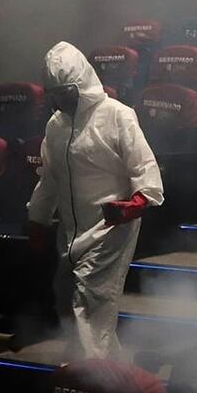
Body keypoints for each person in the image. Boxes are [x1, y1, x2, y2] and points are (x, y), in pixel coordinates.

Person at [27, 41, 163, 361]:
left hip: (112, 224)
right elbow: (50, 179)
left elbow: (143, 165)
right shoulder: (56, 126)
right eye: (55, 94)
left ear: (83, 85)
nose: (61, 101)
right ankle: (114, 376)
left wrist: (139, 200)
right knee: (66, 296)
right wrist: (38, 217)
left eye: (67, 93)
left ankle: (87, 379)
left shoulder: (117, 116)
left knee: (91, 297)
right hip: (71, 229)